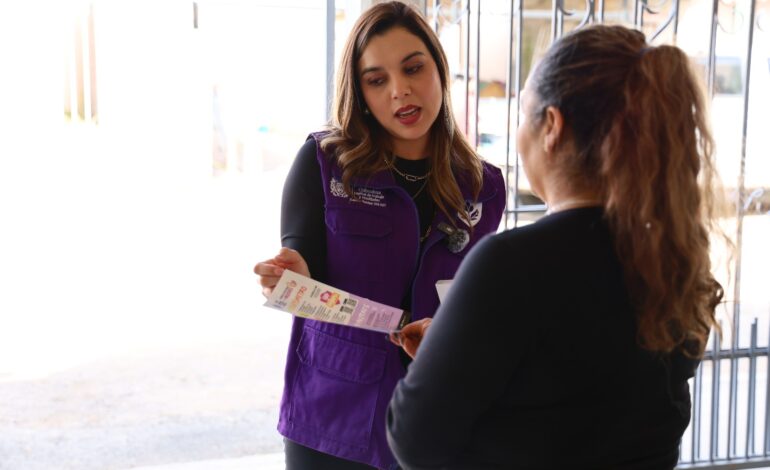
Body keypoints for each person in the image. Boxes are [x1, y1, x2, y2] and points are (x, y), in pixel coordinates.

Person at [386, 24, 725, 469]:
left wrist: (439, 357)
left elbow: (414, 440)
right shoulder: (675, 259)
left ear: (551, 127)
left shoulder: (509, 265)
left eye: (524, 112)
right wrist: (457, 343)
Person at [252, 2, 506, 469]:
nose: (400, 90)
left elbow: (475, 301)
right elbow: (301, 257)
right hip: (331, 416)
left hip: (437, 414)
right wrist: (293, 272)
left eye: (413, 68)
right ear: (361, 93)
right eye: (376, 79)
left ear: (439, 68)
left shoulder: (483, 186)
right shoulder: (324, 163)